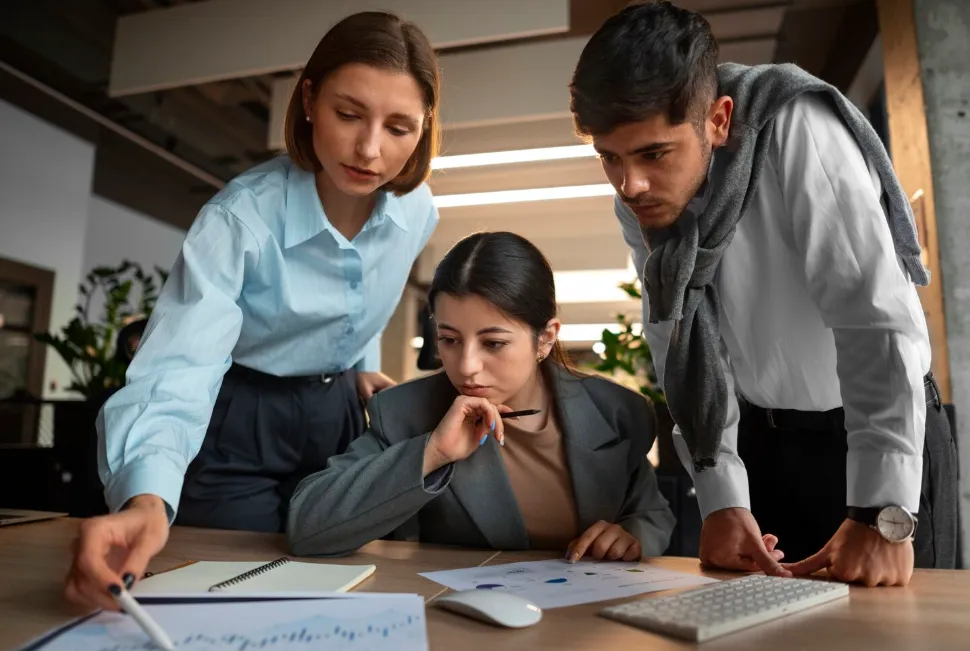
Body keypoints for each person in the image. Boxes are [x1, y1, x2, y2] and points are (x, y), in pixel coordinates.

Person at [568, 0, 958, 587]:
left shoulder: (796, 126)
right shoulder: (644, 197)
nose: (631, 184)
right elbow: (677, 340)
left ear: (719, 120)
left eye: (653, 153)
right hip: (764, 448)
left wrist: (879, 513)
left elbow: (874, 319)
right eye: (610, 159)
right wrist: (722, 493)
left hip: (879, 440)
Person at [64, 11, 441, 611]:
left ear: (424, 129)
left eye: (399, 127)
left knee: (343, 586)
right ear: (310, 100)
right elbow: (178, 368)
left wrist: (354, 362)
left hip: (336, 411)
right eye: (348, 114)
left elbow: (361, 290)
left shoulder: (416, 212)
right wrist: (146, 500)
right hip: (236, 414)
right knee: (232, 591)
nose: (370, 150)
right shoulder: (239, 219)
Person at [287, 232, 676, 560]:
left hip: (585, 622)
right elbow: (307, 526)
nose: (467, 365)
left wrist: (633, 536)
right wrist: (431, 454)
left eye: (493, 343)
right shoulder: (404, 411)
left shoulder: (618, 411)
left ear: (546, 337)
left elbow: (651, 513)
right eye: (449, 340)